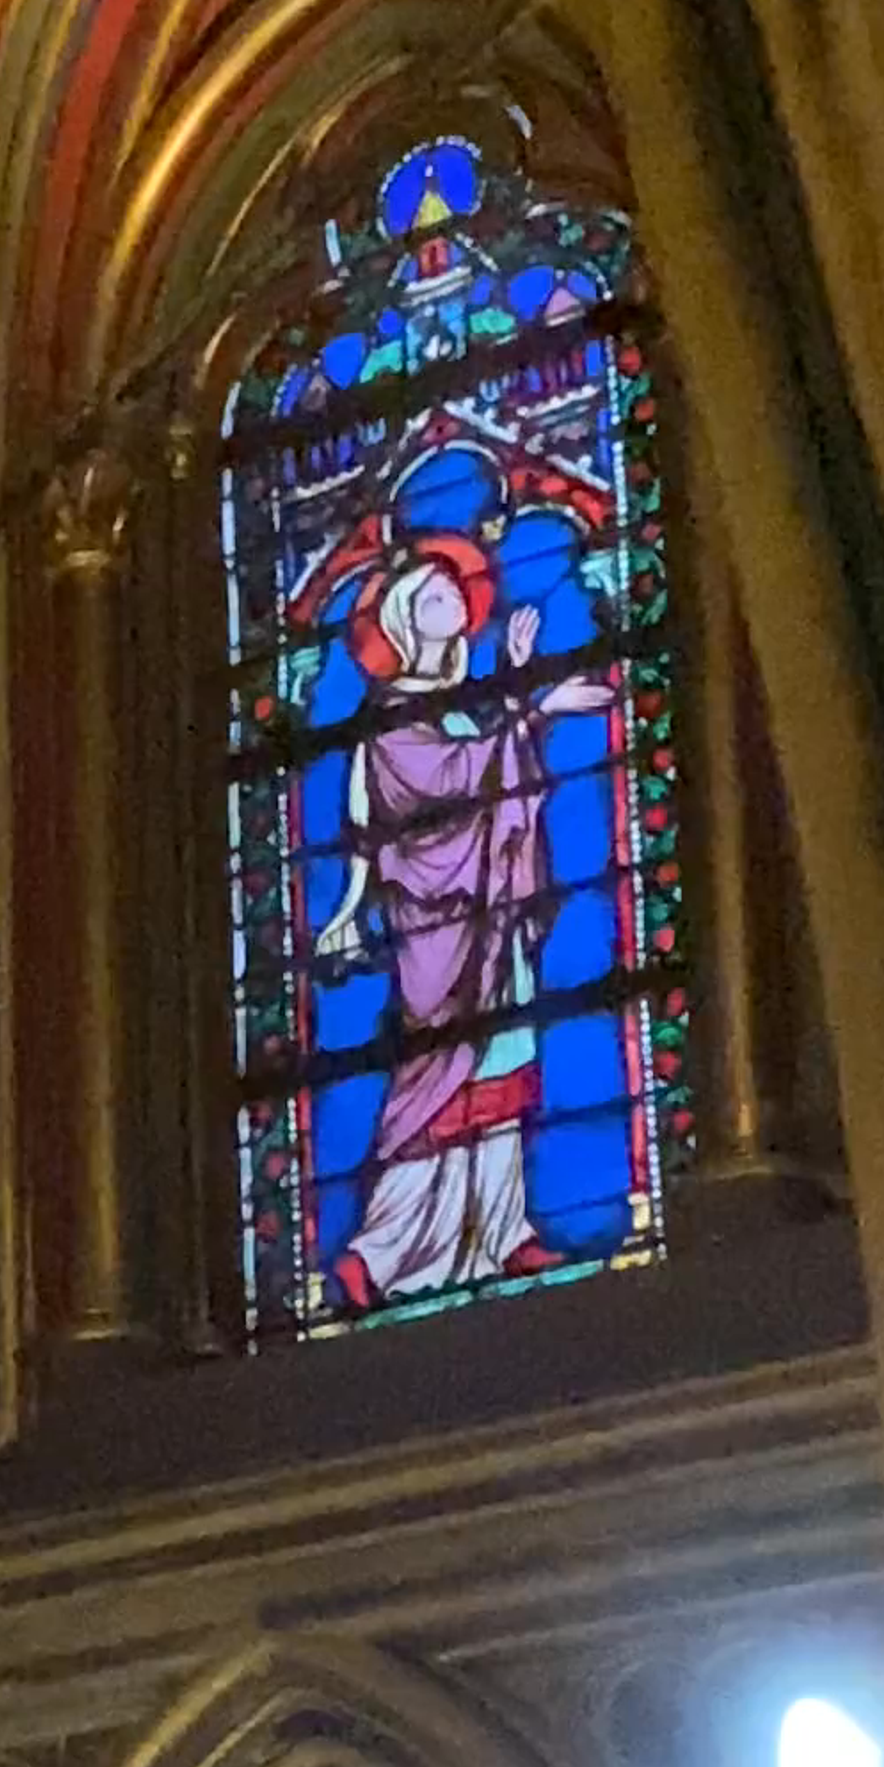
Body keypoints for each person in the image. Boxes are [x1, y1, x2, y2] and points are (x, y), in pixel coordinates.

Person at [309, 529, 605, 1317]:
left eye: (454, 594)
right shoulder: (393, 720)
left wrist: (515, 694)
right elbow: (442, 790)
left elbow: (496, 788)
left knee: (502, 1057)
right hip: (436, 927)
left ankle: (500, 1230)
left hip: (491, 920)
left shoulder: (456, 708)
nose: (455, 604)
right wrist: (538, 707)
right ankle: (379, 1251)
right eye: (437, 596)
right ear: (406, 618)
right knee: (436, 1073)